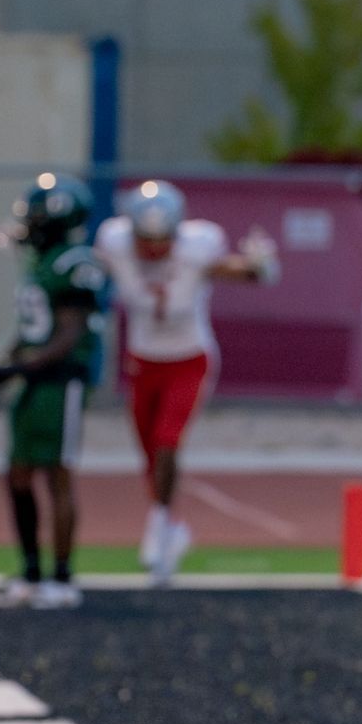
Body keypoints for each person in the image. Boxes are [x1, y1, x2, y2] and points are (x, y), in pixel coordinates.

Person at [94, 179, 279, 586]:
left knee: (166, 441)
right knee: (147, 452)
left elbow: (243, 272)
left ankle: (159, 529)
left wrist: (260, 263)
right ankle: (169, 526)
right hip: (142, 360)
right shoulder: (114, 243)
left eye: (163, 239)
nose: (155, 249)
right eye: (147, 239)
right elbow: (87, 266)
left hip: (188, 359)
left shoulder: (198, 247)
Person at [0, 172, 107, 611]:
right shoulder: (41, 263)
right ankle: (31, 572)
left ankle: (62, 577)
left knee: (57, 475)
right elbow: (32, 329)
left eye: (36, 217)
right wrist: (6, 360)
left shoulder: (76, 262)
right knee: (17, 473)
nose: (29, 225)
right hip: (36, 379)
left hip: (62, 381)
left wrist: (19, 366)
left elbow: (67, 336)